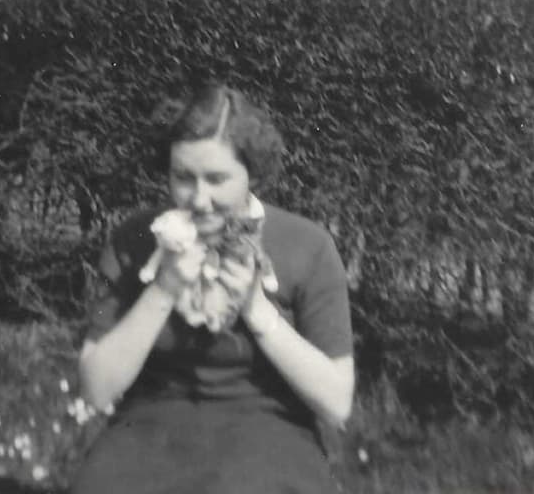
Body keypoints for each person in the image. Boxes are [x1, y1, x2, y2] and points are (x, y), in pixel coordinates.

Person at [71, 83, 355, 494]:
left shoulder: (307, 246)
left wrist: (258, 311)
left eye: (217, 179)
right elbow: (96, 389)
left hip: (270, 433)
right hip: (149, 428)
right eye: (183, 177)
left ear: (252, 173)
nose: (199, 199)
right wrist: (163, 289)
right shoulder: (136, 239)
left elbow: (336, 403)